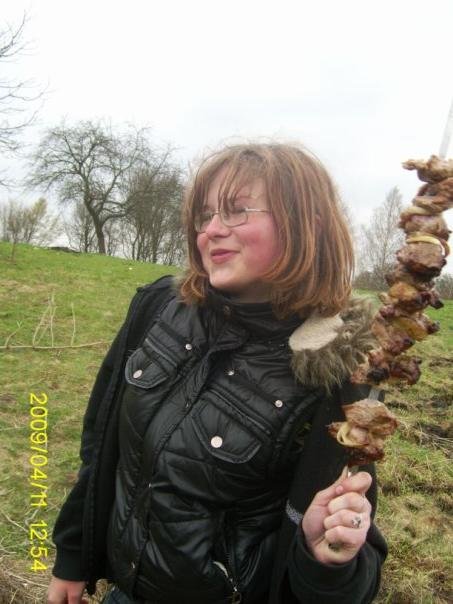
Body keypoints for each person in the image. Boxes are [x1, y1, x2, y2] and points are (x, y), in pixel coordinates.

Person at [47, 143, 387, 604]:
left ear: (308, 225)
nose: (211, 230)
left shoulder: (336, 372)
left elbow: (349, 569)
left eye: (237, 210)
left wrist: (325, 559)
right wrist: (73, 556)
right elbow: (102, 446)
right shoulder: (159, 307)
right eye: (204, 215)